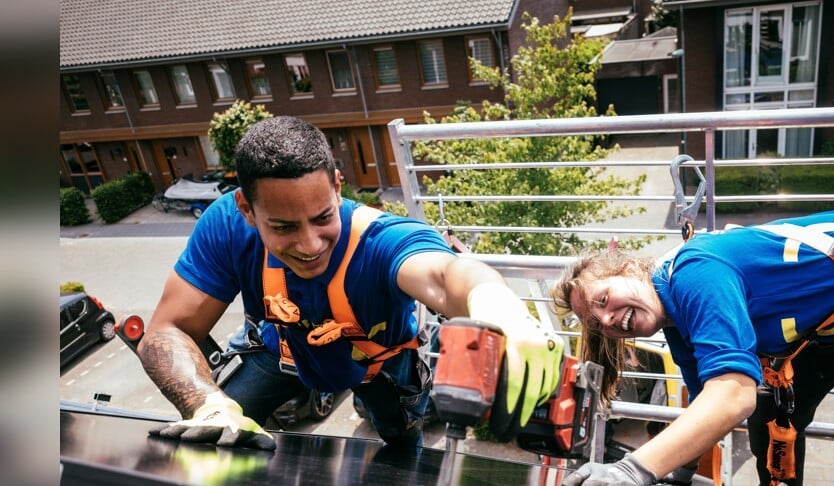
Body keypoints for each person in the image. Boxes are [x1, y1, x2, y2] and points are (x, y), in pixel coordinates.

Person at [137, 116, 564, 451]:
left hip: (379, 366)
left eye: (323, 217)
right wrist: (205, 403)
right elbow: (167, 329)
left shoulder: (382, 241)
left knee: (401, 443)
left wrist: (497, 303)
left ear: (338, 186)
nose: (309, 245)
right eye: (283, 227)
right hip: (281, 351)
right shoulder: (228, 226)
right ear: (247, 209)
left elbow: (445, 274)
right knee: (215, 440)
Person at [551, 208, 834, 486]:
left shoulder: (695, 274)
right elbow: (705, 403)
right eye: (595, 322)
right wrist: (677, 470)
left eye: (603, 300)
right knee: (772, 420)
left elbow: (733, 396)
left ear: (627, 270)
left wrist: (634, 467)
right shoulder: (676, 322)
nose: (607, 321)